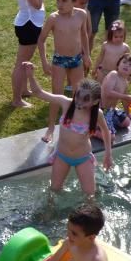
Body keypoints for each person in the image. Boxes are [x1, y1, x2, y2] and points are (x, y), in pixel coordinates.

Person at [21, 63, 112, 197]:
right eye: (78, 96)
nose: (79, 102)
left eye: (85, 99)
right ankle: (50, 214)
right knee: (54, 190)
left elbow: (105, 131)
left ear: (94, 101)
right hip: (62, 157)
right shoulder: (66, 103)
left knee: (90, 195)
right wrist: (30, 75)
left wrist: (108, 154)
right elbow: (39, 93)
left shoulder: (97, 114)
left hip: (83, 158)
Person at [37, 0, 92, 143]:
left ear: (74, 1)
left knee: (78, 94)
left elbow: (83, 35)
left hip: (76, 59)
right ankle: (51, 128)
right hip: (59, 60)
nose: (59, 4)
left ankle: (73, 123)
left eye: (64, 1)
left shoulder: (81, 15)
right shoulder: (54, 18)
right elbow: (41, 40)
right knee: (57, 94)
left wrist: (87, 54)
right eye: (57, 0)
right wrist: (45, 62)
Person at [11, 0, 48, 108]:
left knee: (24, 61)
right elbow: (37, 4)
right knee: (21, 63)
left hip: (28, 23)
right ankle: (17, 99)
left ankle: (24, 90)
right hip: (29, 25)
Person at [101, 53, 131, 133]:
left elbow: (124, 100)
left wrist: (128, 113)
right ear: (118, 64)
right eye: (124, 62)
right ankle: (97, 130)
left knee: (127, 122)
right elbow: (108, 92)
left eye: (130, 65)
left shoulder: (125, 82)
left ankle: (106, 124)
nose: (126, 65)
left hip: (111, 110)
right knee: (110, 135)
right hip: (101, 110)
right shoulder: (113, 75)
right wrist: (126, 97)